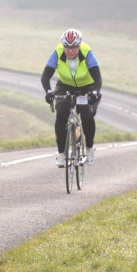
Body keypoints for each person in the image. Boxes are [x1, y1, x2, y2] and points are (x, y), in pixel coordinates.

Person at [40, 28, 102, 168]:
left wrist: (94, 92)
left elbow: (97, 77)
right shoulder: (58, 52)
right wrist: (49, 91)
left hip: (86, 86)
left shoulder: (87, 52)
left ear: (79, 45)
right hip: (65, 86)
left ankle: (89, 149)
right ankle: (62, 154)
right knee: (61, 114)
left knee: (86, 115)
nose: (70, 51)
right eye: (67, 47)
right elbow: (45, 76)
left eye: (74, 47)